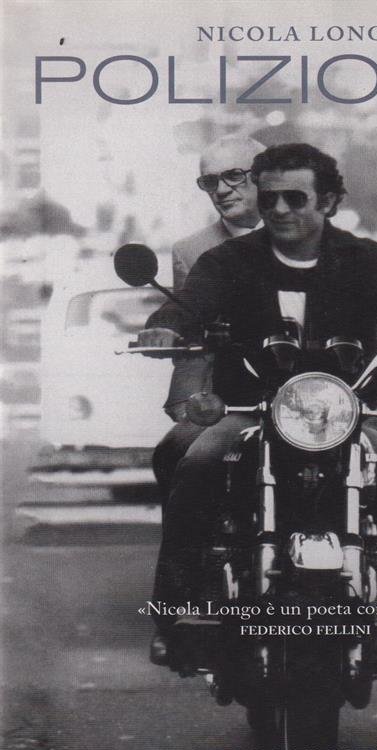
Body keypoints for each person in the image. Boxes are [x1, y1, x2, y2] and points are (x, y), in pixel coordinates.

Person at [139, 143, 377, 665]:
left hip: (343, 415)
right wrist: (165, 327)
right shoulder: (228, 260)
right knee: (197, 462)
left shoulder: (368, 260)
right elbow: (190, 304)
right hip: (248, 410)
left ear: (329, 201)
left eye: (295, 199)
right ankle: (176, 615)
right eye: (269, 199)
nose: (279, 210)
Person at [152, 136, 264, 497]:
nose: (222, 189)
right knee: (176, 453)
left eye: (233, 175)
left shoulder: (305, 238)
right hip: (227, 396)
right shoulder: (192, 250)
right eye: (210, 181)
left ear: (264, 177)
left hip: (309, 394)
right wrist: (188, 403)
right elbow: (188, 323)